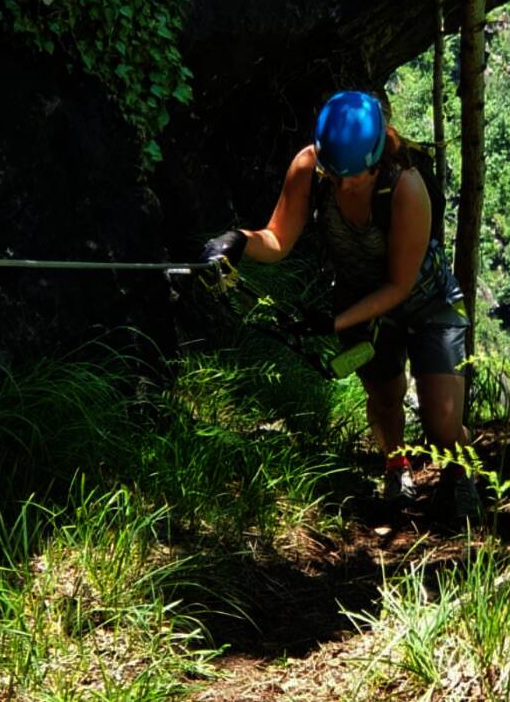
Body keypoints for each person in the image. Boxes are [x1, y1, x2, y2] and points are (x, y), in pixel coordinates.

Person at [200, 90, 480, 520]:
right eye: (336, 174)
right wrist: (237, 241)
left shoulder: (406, 187)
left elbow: (399, 285)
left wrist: (334, 322)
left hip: (428, 302)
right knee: (384, 395)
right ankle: (395, 465)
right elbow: (277, 239)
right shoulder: (310, 169)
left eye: (356, 176)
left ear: (379, 156)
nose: (344, 184)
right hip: (356, 298)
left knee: (441, 425)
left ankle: (461, 473)